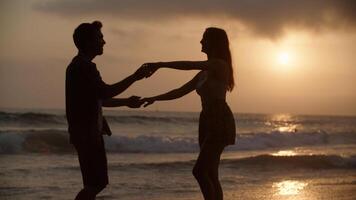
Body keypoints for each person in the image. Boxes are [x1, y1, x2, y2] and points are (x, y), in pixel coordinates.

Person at [140, 27, 236, 200]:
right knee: (211, 173)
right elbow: (180, 91)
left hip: (219, 117)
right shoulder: (203, 73)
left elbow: (188, 65)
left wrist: (161, 64)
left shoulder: (219, 65)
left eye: (204, 39)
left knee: (199, 171)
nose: (200, 42)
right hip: (207, 119)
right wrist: (155, 98)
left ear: (213, 42)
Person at [65, 21, 150, 200]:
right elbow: (105, 92)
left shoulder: (79, 65)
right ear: (88, 42)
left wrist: (126, 102)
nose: (104, 42)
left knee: (94, 183)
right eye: (100, 38)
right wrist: (134, 77)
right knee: (95, 183)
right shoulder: (84, 67)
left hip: (87, 133)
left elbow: (99, 98)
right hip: (87, 134)